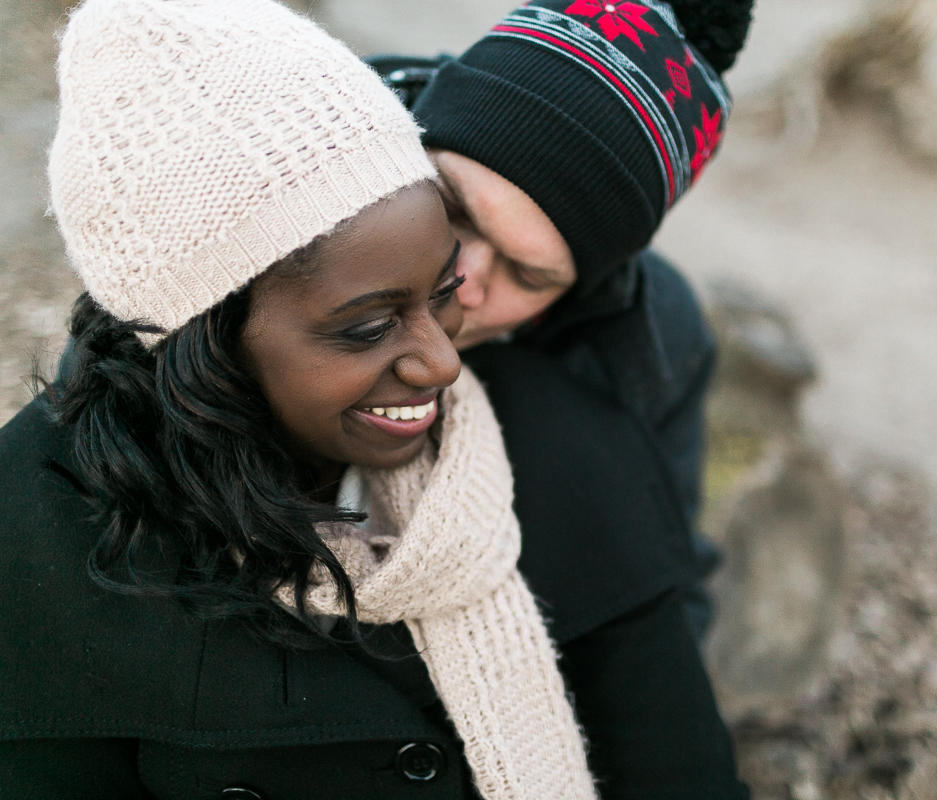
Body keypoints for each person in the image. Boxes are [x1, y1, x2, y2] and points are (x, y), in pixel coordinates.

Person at [0, 0, 746, 797]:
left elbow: (655, 613)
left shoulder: (613, 381)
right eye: (454, 215)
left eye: (527, 276)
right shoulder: (269, 178)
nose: (448, 342)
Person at [372, 0, 755, 643]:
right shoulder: (277, 164)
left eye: (525, 274)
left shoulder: (651, 346)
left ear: (579, 293)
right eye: (449, 206)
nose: (458, 281)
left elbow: (662, 581)